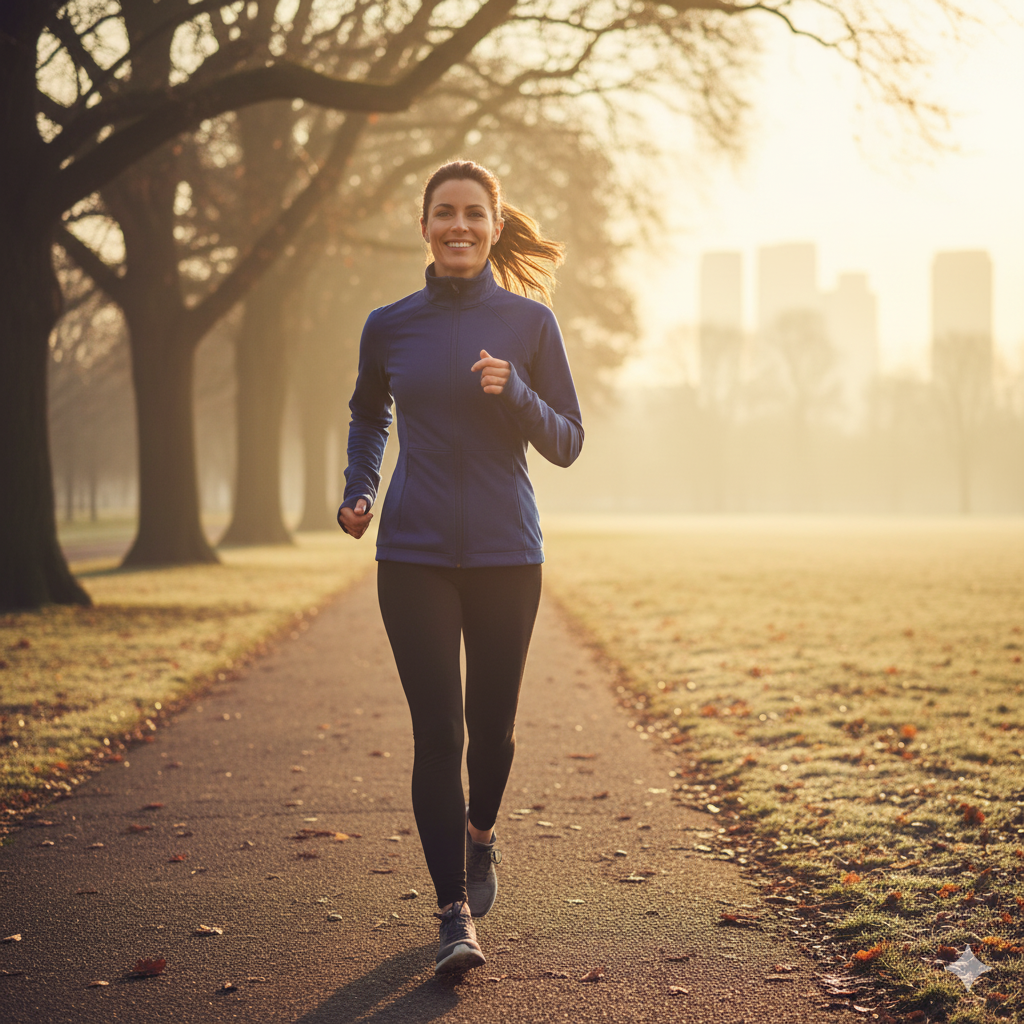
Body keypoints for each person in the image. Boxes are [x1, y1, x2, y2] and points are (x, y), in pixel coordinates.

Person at [338, 160, 583, 974]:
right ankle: (452, 917)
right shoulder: (390, 325)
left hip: (509, 554)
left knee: (493, 736)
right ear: (425, 226)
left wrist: (515, 392)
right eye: (444, 212)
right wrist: (359, 488)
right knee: (437, 734)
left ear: (493, 223)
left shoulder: (529, 325)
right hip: (411, 552)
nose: (458, 226)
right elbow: (371, 411)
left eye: (473, 213)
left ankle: (481, 835)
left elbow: (568, 442)